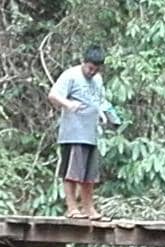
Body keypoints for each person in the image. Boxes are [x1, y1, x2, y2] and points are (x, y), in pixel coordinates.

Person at [48, 45, 110, 221]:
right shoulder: (71, 75)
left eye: (96, 69)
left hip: (90, 134)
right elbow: (53, 95)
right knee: (72, 172)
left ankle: (88, 209)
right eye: (90, 68)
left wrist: (106, 115)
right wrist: (68, 104)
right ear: (84, 62)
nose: (92, 72)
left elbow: (101, 101)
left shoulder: (98, 79)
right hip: (73, 133)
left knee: (89, 176)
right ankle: (72, 208)